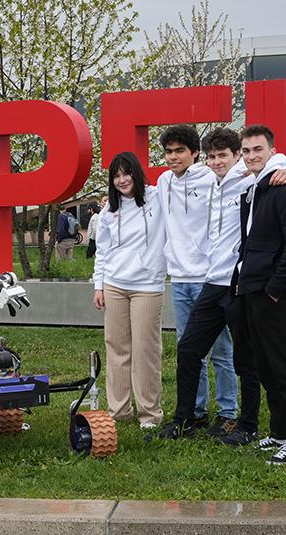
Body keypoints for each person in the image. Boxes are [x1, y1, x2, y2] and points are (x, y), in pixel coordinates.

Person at [148, 128, 286, 446]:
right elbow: (173, 177)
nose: (217, 162)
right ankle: (185, 420)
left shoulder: (249, 180)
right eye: (211, 156)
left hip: (240, 284)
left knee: (246, 359)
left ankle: (246, 425)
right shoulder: (209, 180)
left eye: (223, 155)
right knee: (189, 349)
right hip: (212, 281)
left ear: (236, 156)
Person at [233, 124, 286, 465]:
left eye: (258, 150)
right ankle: (280, 432)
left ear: (272, 151)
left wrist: (276, 289)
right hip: (253, 287)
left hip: (276, 292)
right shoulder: (256, 188)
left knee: (285, 365)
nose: (252, 155)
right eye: (246, 150)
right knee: (266, 365)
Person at [156, 125, 238, 436]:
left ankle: (228, 412)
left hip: (209, 279)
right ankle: (196, 411)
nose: (173, 157)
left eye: (180, 151)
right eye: (168, 152)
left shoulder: (211, 178)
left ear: (195, 153)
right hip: (179, 280)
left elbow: (256, 169)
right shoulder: (163, 182)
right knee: (189, 350)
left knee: (221, 350)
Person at [92, 152, 167, 429]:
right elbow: (102, 251)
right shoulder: (108, 211)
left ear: (137, 173)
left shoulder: (157, 197)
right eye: (116, 175)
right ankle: (119, 410)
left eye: (127, 173)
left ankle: (149, 413)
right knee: (116, 348)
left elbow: (189, 177)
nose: (122, 180)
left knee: (146, 350)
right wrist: (99, 285)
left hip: (147, 287)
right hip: (114, 285)